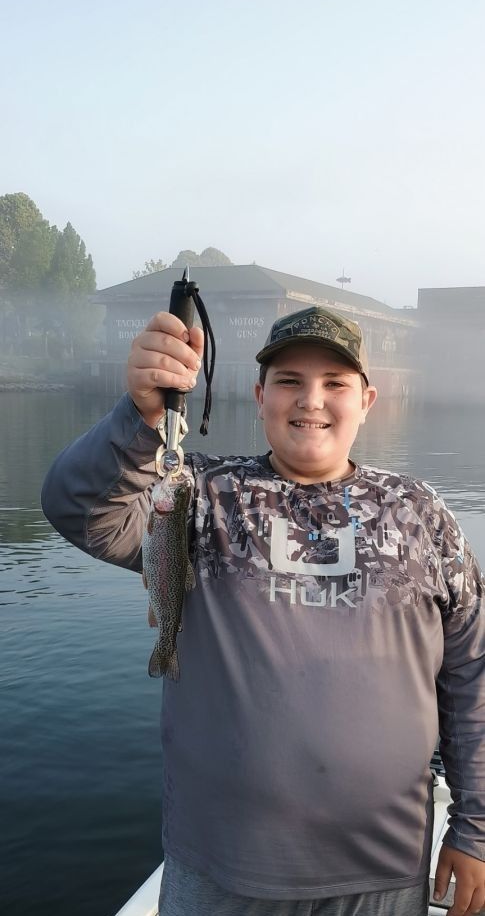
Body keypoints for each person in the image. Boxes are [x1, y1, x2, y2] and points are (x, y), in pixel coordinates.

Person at [41, 305, 485, 916]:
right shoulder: (198, 497)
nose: (312, 401)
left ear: (368, 399)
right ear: (258, 396)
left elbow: (471, 677)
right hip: (221, 873)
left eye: (335, 384)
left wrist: (474, 829)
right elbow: (77, 506)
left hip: (382, 874)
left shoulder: (421, 515)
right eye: (289, 382)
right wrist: (142, 416)